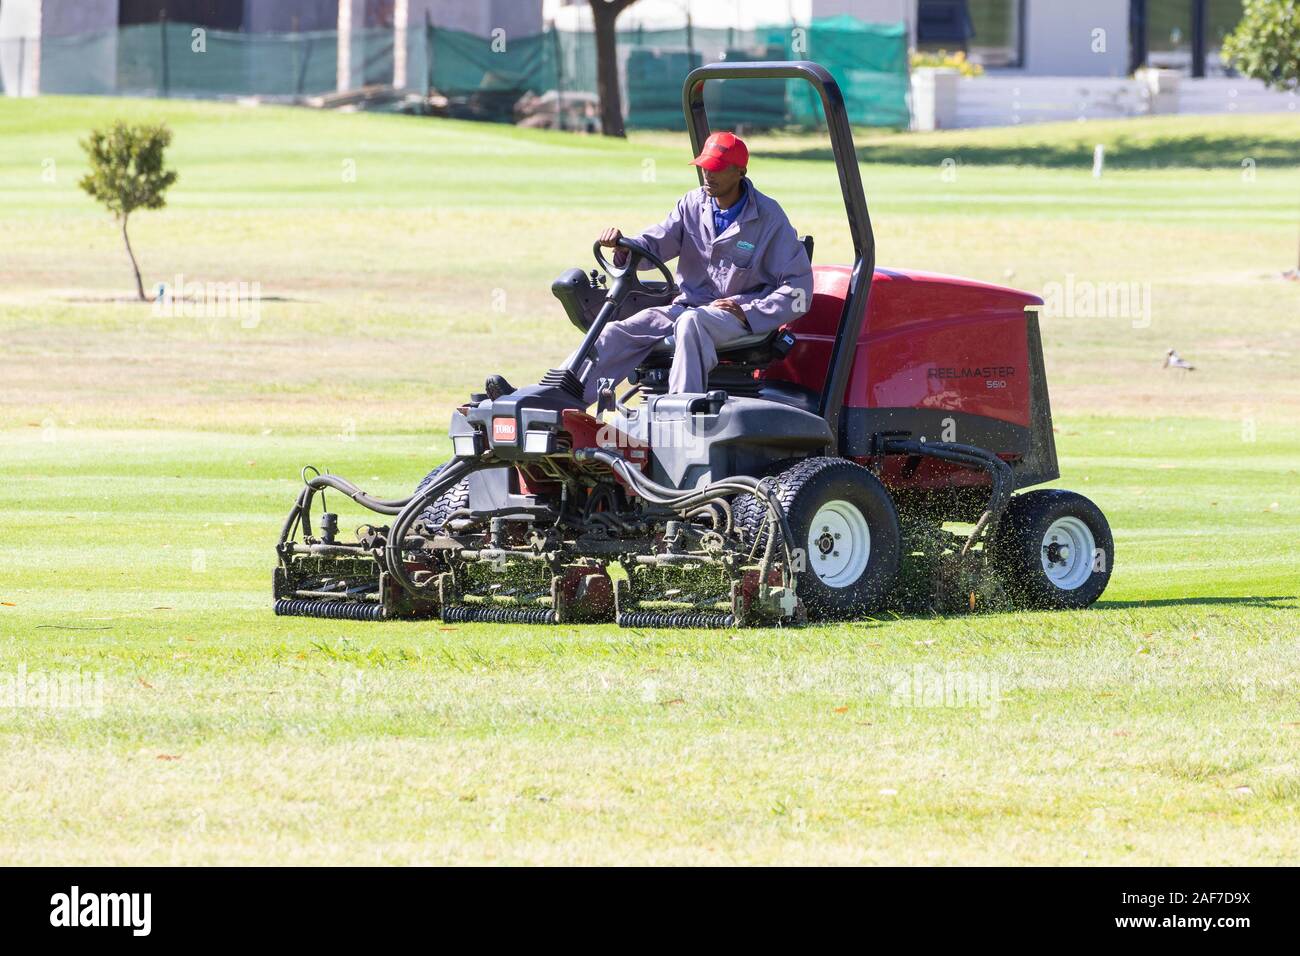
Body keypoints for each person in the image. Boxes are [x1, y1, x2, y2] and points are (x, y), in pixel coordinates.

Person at [486, 132, 813, 405]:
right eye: (704, 167)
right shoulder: (692, 204)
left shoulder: (769, 219)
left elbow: (798, 291)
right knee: (616, 331)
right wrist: (624, 247)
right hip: (688, 305)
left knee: (691, 324)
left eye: (716, 168)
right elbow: (655, 245)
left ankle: (680, 417)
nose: (707, 175)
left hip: (736, 316)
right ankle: (552, 398)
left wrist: (749, 311)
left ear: (739, 171)